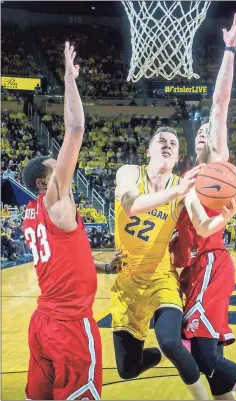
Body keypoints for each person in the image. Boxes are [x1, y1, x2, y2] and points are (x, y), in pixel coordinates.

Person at [171, 10, 236, 400]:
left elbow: (218, 104)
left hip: (212, 261)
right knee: (202, 354)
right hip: (192, 269)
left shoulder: (216, 165)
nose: (203, 133)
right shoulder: (185, 179)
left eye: (207, 131)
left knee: (207, 356)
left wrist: (229, 48)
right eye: (196, 132)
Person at [112, 126, 236, 400]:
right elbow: (131, 205)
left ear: (176, 159)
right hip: (127, 283)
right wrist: (177, 193)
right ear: (148, 151)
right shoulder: (128, 172)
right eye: (161, 141)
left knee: (172, 341)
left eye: (173, 143)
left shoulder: (182, 188)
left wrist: (227, 217)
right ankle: (158, 354)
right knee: (126, 369)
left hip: (162, 278)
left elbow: (205, 227)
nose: (168, 145)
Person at [22, 42, 106, 401]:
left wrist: (101, 266)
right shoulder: (55, 197)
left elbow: (62, 261)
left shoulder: (32, 215)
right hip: (70, 326)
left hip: (43, 323)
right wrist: (69, 80)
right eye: (55, 166)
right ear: (44, 182)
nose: (64, 167)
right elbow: (75, 127)